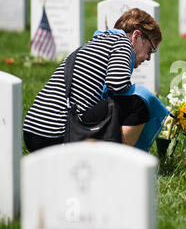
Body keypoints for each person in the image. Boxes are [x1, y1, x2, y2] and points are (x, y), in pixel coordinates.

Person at [23, 8, 164, 152]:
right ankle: (120, 163)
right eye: (150, 49)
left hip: (33, 131)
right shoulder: (123, 43)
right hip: (58, 133)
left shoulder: (98, 42)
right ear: (136, 36)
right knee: (139, 102)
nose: (148, 57)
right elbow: (117, 84)